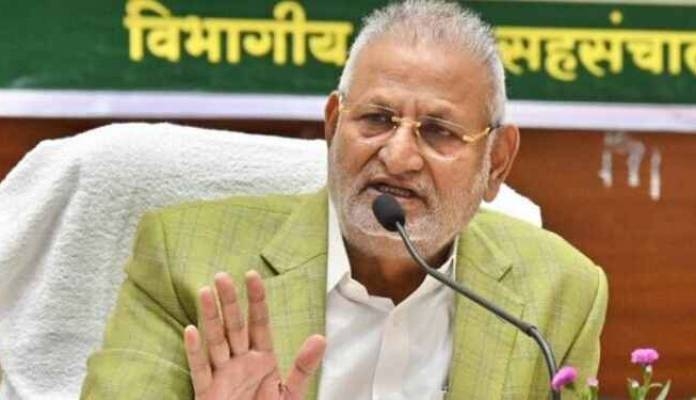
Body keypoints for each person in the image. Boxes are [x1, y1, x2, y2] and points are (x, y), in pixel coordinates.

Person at [81, 1, 608, 399]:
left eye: (438, 131)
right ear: (333, 127)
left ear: (495, 163)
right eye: (376, 119)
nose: (398, 157)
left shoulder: (560, 294)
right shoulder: (186, 263)